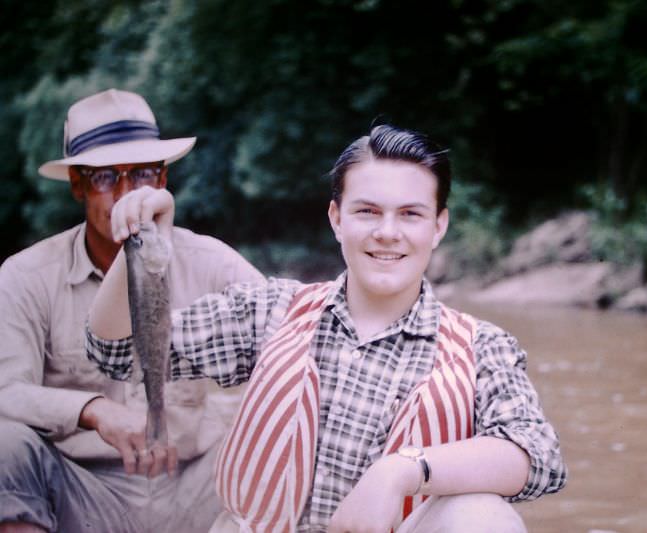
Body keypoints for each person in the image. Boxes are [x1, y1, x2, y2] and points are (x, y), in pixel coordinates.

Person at [87, 124, 567, 532]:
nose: (387, 232)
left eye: (411, 215)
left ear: (438, 227)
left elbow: (539, 456)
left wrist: (402, 471)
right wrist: (139, 244)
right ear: (336, 219)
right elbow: (117, 354)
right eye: (367, 211)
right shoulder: (271, 310)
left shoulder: (483, 346)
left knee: (483, 516)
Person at [0, 89, 266, 533]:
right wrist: (93, 408)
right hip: (83, 493)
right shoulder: (27, 275)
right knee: (5, 445)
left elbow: (292, 333)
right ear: (78, 185)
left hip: (199, 485)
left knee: (291, 436)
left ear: (162, 181)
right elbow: (6, 392)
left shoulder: (211, 260)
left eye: (142, 174)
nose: (126, 194)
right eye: (106, 177)